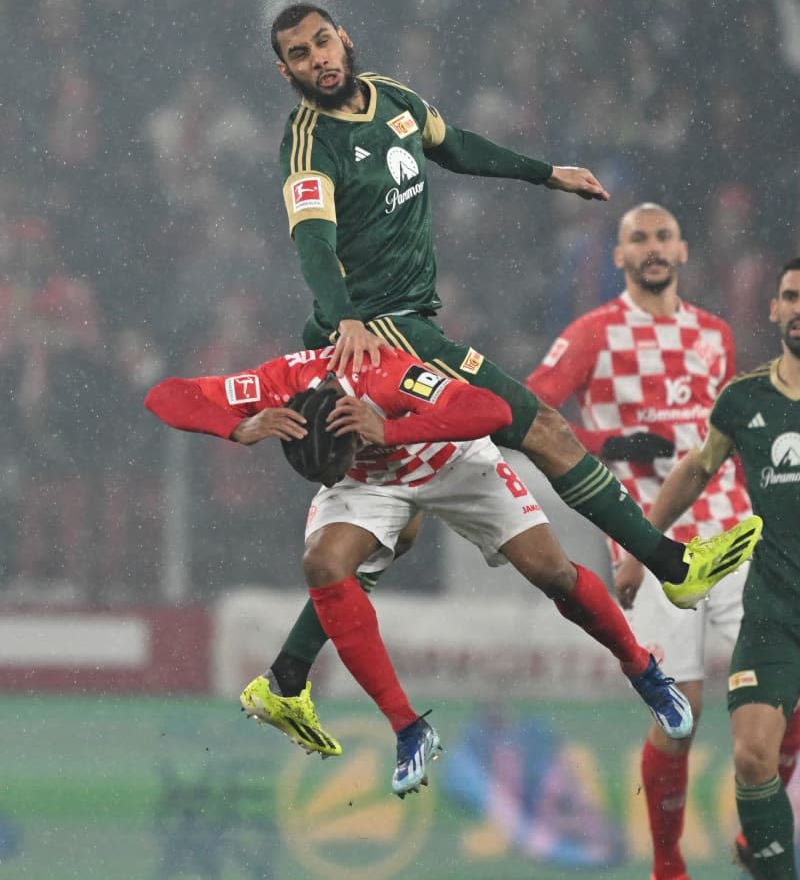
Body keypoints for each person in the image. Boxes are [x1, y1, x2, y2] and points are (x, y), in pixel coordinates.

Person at [270, 2, 760, 615]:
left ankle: (287, 678)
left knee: (398, 522)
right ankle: (672, 564)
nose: (318, 59)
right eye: (300, 54)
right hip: (378, 330)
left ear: (344, 38)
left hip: (407, 324)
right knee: (544, 428)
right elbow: (313, 243)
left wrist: (547, 173)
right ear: (286, 71)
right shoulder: (310, 143)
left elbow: (457, 147)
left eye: (322, 42)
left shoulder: (391, 97)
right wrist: (345, 317)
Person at [145, 343, 695, 798]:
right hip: (372, 484)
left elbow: (492, 412)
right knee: (323, 563)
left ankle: (642, 668)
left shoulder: (388, 376)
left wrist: (387, 433)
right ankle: (408, 728)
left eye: (341, 456)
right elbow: (166, 395)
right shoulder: (279, 382)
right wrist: (237, 428)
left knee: (553, 574)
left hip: (452, 460)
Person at [526, 203, 800, 880]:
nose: (652, 248)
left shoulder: (715, 335)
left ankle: (757, 826)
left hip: (739, 535)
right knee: (681, 715)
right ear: (618, 256)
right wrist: (608, 443)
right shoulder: (593, 333)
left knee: (785, 690)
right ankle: (668, 864)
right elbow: (527, 410)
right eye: (637, 238)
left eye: (663, 237)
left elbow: (728, 446)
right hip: (652, 544)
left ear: (683, 251)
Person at [636, 258, 800, 880]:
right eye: (789, 296)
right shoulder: (744, 400)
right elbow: (698, 469)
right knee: (754, 758)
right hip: (774, 609)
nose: (798, 308)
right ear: (773, 309)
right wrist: (641, 541)